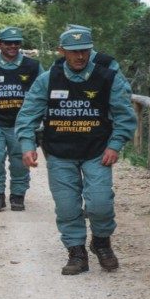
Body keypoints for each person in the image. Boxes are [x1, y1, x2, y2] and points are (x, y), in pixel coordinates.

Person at [15, 25, 137, 276]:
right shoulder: (47, 79)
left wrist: (115, 145)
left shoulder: (108, 77)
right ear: (62, 51)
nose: (79, 56)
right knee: (68, 207)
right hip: (59, 153)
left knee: (100, 203)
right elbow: (28, 114)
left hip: (97, 152)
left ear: (91, 50)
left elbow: (125, 115)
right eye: (73, 52)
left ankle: (101, 242)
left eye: (84, 51)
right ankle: (76, 253)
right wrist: (27, 145)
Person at [0, 26, 44, 212]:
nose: (13, 46)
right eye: (8, 43)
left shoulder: (33, 66)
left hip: (22, 124)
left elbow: (43, 93)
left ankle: (18, 196)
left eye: (17, 43)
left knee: (20, 161)